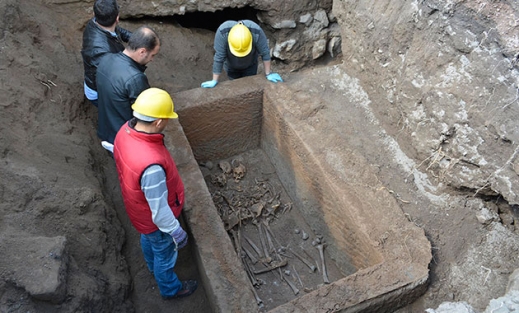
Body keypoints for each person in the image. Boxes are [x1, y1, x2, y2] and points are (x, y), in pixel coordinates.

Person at [113, 87, 198, 299]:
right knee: (165, 253)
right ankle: (170, 289)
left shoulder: (126, 130)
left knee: (148, 238)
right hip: (153, 219)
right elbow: (159, 211)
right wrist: (175, 231)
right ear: (158, 122)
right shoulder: (151, 166)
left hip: (138, 210)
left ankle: (151, 266)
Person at [96, 25, 160, 144]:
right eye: (153, 55)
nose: (152, 59)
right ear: (142, 51)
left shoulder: (106, 58)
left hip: (105, 129)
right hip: (123, 137)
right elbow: (145, 114)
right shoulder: (135, 79)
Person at [201, 20, 283, 88]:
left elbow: (265, 52)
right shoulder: (222, 33)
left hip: (250, 64)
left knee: (249, 85)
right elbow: (219, 57)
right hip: (231, 65)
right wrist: (214, 80)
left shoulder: (256, 32)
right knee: (235, 86)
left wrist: (268, 73)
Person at [81, 0, 132, 107]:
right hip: (98, 92)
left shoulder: (96, 23)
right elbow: (109, 80)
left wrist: (136, 39)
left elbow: (118, 31)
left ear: (95, 14)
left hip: (96, 80)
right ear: (117, 18)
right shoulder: (103, 52)